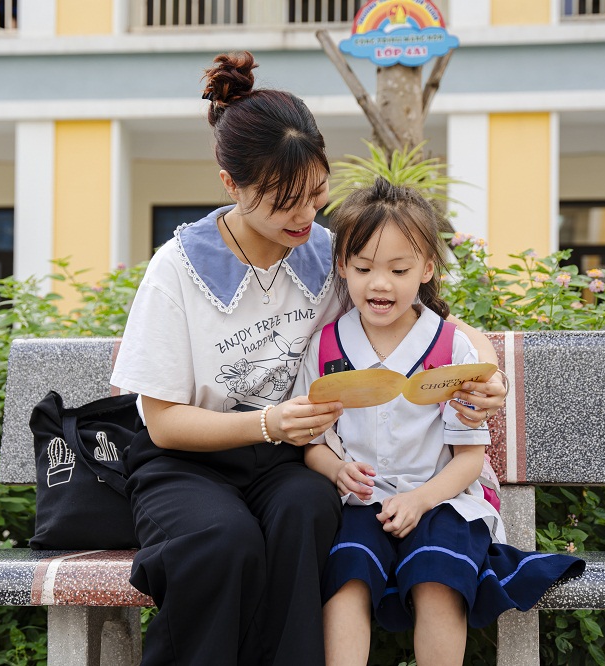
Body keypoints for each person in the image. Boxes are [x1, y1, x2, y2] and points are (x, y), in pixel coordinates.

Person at [110, 51, 507, 666]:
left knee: (307, 508)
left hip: (286, 462)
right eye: (284, 201)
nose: (305, 215)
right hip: (187, 461)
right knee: (223, 540)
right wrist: (268, 423)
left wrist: (486, 370)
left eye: (316, 193)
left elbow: (432, 317)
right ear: (231, 186)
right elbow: (162, 421)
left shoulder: (327, 252)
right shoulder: (178, 269)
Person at [296, 178, 585, 666]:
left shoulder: (451, 349)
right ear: (342, 265)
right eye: (363, 267)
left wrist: (420, 499)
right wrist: (334, 470)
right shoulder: (325, 347)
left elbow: (470, 460)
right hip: (361, 501)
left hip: (444, 497)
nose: (379, 283)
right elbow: (312, 442)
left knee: (438, 579)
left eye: (398, 268)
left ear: (427, 268)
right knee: (346, 576)